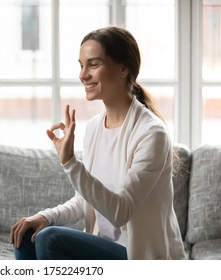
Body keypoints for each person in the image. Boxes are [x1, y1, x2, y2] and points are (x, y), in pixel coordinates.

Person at [10, 26, 185, 260]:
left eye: (93, 64)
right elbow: (85, 201)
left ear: (123, 68)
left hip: (139, 258)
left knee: (50, 238)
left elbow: (120, 212)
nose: (83, 75)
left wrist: (71, 163)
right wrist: (45, 216)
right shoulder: (94, 127)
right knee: (26, 237)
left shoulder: (151, 134)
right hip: (103, 250)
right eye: (81, 65)